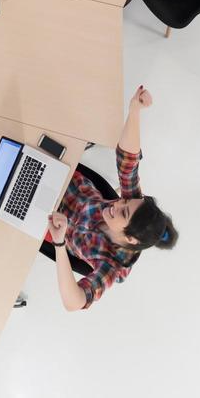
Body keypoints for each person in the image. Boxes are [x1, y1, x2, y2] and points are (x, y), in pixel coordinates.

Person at [46, 86, 177, 310]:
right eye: (124, 201)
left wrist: (59, 244)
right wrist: (134, 109)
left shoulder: (113, 266)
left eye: (123, 212)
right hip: (62, 176)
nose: (117, 204)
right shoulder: (135, 202)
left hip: (47, 222)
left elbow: (74, 302)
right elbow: (127, 160)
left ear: (132, 239)